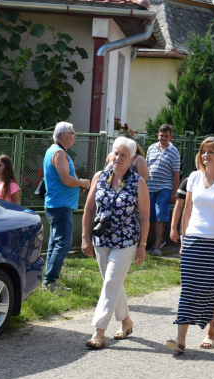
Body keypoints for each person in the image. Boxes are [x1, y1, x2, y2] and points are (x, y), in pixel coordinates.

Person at [165, 137, 214, 353]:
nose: (206, 155)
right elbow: (187, 210)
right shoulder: (194, 178)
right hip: (194, 240)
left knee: (213, 289)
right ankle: (180, 340)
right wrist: (184, 238)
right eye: (203, 151)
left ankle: (211, 333)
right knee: (187, 289)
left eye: (211, 151)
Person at [81, 137, 150, 348]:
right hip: (101, 239)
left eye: (123, 155)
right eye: (115, 153)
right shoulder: (99, 177)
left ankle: (99, 331)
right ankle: (126, 322)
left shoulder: (138, 183)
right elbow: (89, 209)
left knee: (111, 283)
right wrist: (85, 238)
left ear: (131, 159)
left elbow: (145, 217)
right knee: (112, 283)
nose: (117, 158)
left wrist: (142, 245)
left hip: (126, 241)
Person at [43, 121, 92, 292]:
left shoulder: (58, 151)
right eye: (72, 133)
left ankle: (49, 280)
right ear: (63, 135)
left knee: (55, 243)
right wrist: (83, 182)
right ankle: (50, 282)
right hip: (60, 205)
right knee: (63, 243)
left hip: (58, 204)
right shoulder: (58, 153)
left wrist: (79, 184)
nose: (75, 137)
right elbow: (65, 179)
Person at [146, 124, 181, 256]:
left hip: (164, 188)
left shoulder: (174, 152)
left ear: (170, 137)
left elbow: (176, 174)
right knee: (150, 215)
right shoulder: (151, 148)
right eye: (161, 135)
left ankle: (157, 246)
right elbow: (147, 167)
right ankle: (155, 240)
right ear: (158, 136)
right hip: (150, 187)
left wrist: (174, 192)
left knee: (161, 214)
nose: (163, 138)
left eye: (166, 136)